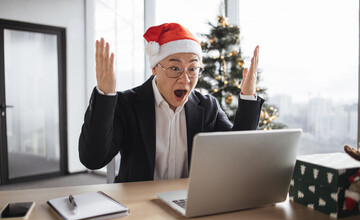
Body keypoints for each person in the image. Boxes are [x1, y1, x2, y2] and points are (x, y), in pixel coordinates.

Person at [79, 23, 264, 183]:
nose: (185, 79)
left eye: (193, 68)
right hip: (137, 204)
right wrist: (105, 96)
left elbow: (240, 154)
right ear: (154, 68)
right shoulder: (127, 104)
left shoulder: (208, 107)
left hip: (188, 202)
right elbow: (93, 160)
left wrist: (248, 97)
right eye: (175, 68)